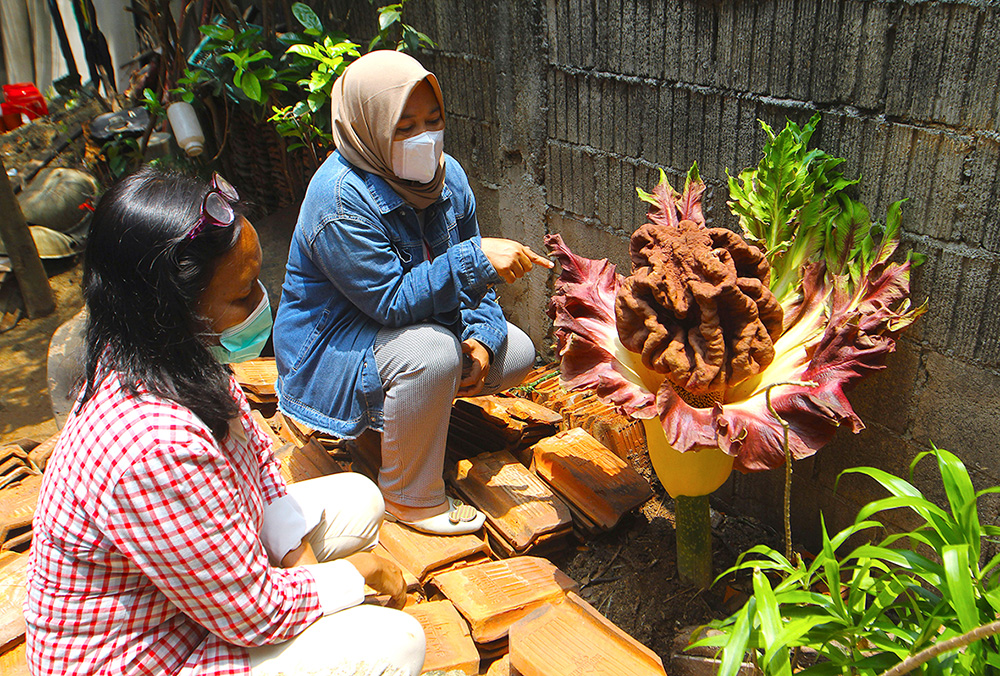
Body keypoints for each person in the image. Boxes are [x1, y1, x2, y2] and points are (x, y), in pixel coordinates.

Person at [24, 167, 425, 676]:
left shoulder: (164, 352)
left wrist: (302, 566)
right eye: (240, 296)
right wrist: (348, 580)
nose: (261, 303)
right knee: (396, 642)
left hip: (184, 605)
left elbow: (257, 458)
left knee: (360, 500)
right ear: (172, 304)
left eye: (256, 281)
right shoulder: (152, 446)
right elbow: (250, 612)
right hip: (144, 657)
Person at [273, 50, 553, 536]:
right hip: (331, 350)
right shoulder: (339, 199)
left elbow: (474, 285)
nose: (424, 137)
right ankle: (409, 497)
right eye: (404, 127)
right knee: (432, 353)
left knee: (517, 349)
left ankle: (397, 426)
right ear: (370, 126)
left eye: (433, 120)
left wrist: (483, 340)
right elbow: (392, 300)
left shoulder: (449, 178)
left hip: (404, 331)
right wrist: (474, 261)